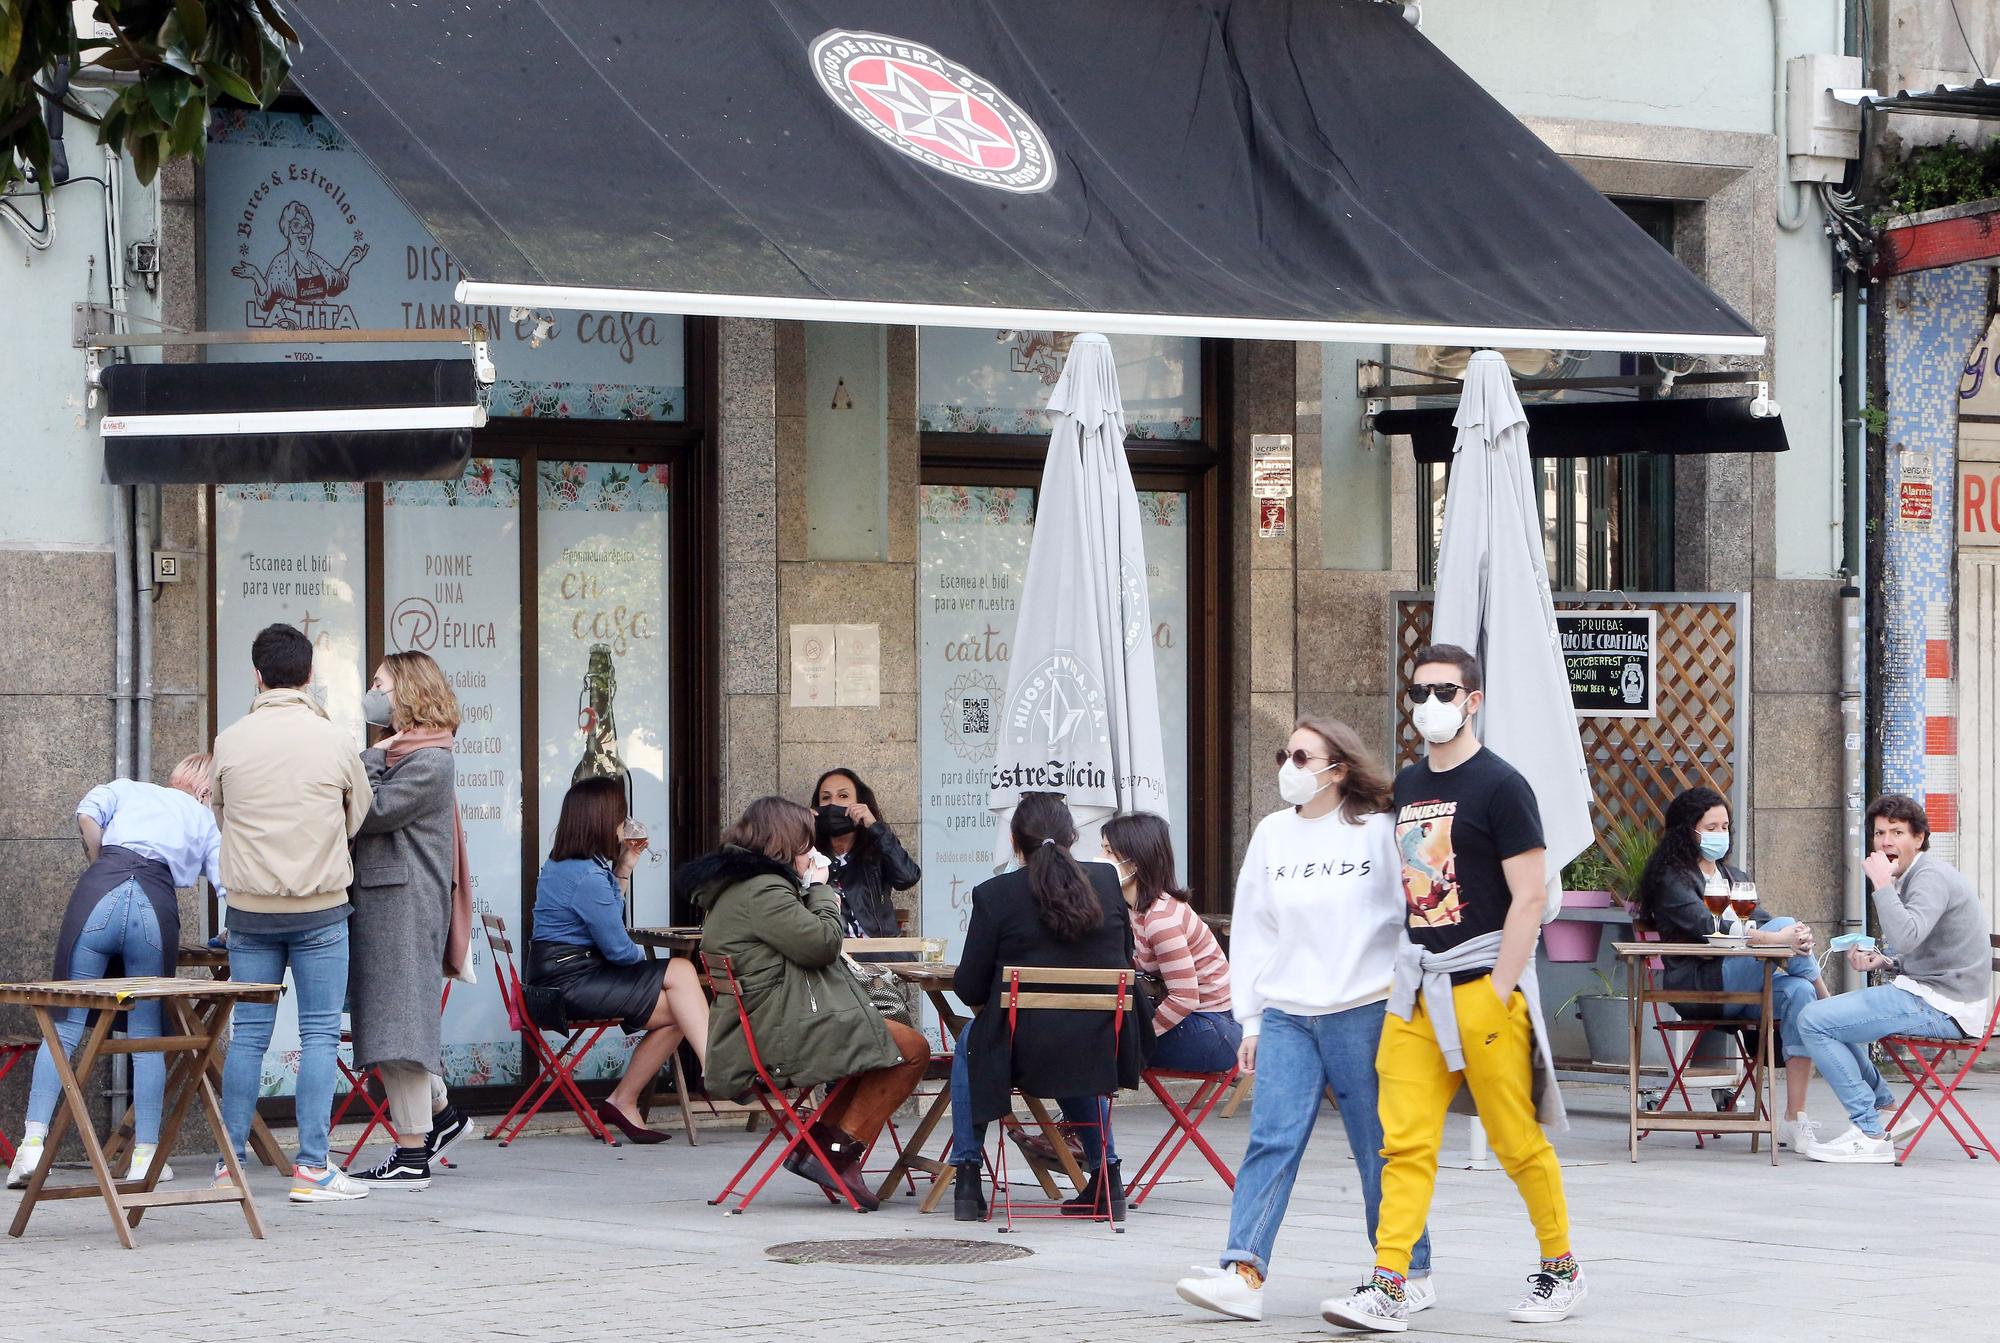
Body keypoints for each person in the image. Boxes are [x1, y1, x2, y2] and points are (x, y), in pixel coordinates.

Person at [1323, 643, 1582, 1332]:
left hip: (1481, 983)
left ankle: (1561, 1269)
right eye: (1419, 690)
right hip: (1414, 989)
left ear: (1474, 699)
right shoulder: (1408, 785)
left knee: (1514, 1138)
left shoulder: (1502, 785)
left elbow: (1530, 896)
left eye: (1444, 689)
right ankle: (1389, 1282)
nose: (1429, 702)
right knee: (1401, 1141)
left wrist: (1498, 989)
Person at [1175, 720, 1435, 1324]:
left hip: (1367, 1010)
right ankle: (1243, 1270)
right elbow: (1256, 928)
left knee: (1381, 1147)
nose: (1287, 766)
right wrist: (1251, 1020)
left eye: (1300, 755)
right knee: (1272, 1139)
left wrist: (1411, 999)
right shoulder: (1272, 833)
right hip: (1289, 1013)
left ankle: (1408, 1270)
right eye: (1283, 754)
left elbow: (1415, 916)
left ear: (1337, 767)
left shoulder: (1379, 831)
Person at [686, 796, 930, 1211]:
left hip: (771, 1021)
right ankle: (835, 1152)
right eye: (804, 844)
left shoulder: (741, 885)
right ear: (784, 843)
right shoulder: (762, 890)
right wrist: (819, 889)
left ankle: (818, 1149)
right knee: (911, 1049)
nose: (810, 852)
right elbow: (821, 944)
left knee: (875, 1050)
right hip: (776, 1033)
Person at [7, 755, 225, 1190]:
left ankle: (32, 1147)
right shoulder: (204, 819)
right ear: (205, 791)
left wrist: (100, 858)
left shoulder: (129, 788)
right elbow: (226, 885)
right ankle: (145, 1158)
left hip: (99, 890)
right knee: (146, 1036)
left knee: (64, 1026)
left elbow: (86, 811)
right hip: (154, 907)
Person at [211, 623, 374, 1204]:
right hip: (322, 908)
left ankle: (229, 1166)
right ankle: (311, 1167)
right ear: (309, 677)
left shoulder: (230, 739)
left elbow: (221, 812)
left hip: (250, 911)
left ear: (256, 676)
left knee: (249, 1037)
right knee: (320, 1034)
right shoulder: (334, 740)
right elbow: (359, 814)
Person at [948, 792, 1144, 1224]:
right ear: (1073, 837)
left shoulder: (995, 894)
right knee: (1072, 1042)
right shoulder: (1108, 883)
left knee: (970, 1041)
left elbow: (968, 985)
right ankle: (1107, 1176)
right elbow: (1124, 957)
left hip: (1019, 1049)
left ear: (1017, 842)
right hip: (1099, 1043)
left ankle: (967, 1174)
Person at [1796, 794, 1991, 1164]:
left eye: (1897, 832)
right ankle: (1884, 1111)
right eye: (1880, 832)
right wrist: (1885, 961)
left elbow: (1908, 935)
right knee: (1830, 1018)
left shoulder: (1928, 876)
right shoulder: (1915, 873)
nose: (1886, 841)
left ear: (1919, 838)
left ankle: (1869, 1132)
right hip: (1932, 994)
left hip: (1943, 1006)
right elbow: (1921, 950)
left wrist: (1882, 885)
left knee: (1813, 1020)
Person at [346, 652, 479, 1189]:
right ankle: (443, 1118)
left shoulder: (428, 760)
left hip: (402, 905)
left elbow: (370, 811)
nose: (372, 692)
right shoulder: (414, 754)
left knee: (399, 1026)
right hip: (388, 903)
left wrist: (372, 756)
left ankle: (410, 1155)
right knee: (393, 1019)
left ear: (407, 691)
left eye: (380, 683)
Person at [1635, 786, 1832, 1148]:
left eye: (1724, 826)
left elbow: (1764, 922)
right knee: (1786, 928)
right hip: (1700, 985)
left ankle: (1794, 1118)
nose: (1720, 834)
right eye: (1711, 827)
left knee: (1799, 992)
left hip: (1742, 984)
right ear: (1687, 830)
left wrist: (1788, 935)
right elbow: (1707, 926)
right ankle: (1830, 1002)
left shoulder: (1732, 875)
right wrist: (1774, 937)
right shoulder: (1672, 878)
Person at [530, 776, 711, 1145]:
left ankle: (624, 1100)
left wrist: (624, 867)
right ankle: (717, 1070)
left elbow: (609, 924)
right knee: (680, 974)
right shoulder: (586, 877)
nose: (623, 825)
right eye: (620, 817)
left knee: (682, 1004)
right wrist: (651, 967)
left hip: (556, 979)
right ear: (600, 820)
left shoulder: (569, 865)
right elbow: (618, 950)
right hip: (571, 984)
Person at [1102, 811, 1237, 1072]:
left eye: (1109, 851)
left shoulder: (1160, 919)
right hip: (1204, 1021)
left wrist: (1139, 1038)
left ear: (1135, 862)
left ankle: (1089, 1115)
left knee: (1098, 1048)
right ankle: (1088, 1114)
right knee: (1095, 1041)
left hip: (1214, 1029)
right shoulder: (1138, 908)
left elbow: (1185, 998)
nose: (1101, 858)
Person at [812, 767, 921, 940]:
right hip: (832, 958)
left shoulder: (876, 847)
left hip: (881, 956)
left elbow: (907, 877)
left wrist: (875, 827)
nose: (833, 804)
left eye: (843, 796)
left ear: (860, 803)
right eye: (826, 797)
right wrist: (799, 833)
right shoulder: (807, 854)